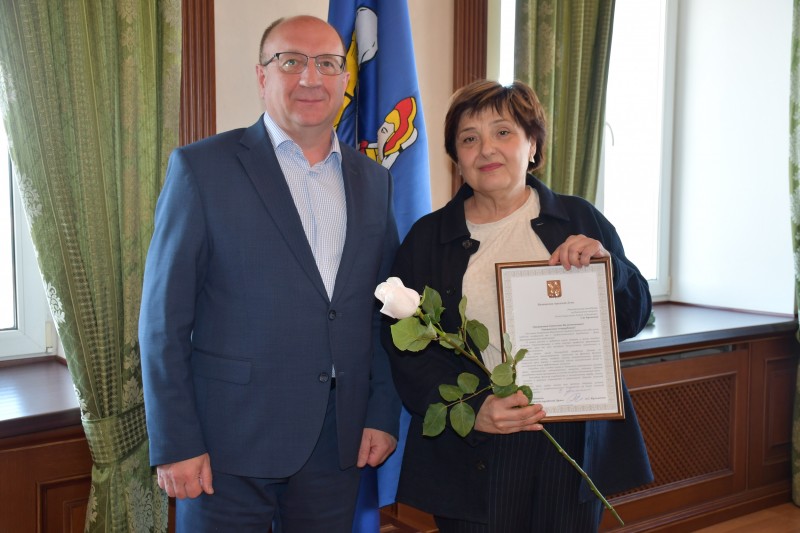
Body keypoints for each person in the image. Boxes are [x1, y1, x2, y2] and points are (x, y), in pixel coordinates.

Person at [139, 15, 401, 532]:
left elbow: (384, 312)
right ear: (262, 76)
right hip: (226, 447)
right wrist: (177, 442)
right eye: (291, 61)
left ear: (344, 79)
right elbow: (162, 322)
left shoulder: (373, 181)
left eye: (327, 63)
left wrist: (381, 412)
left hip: (337, 445)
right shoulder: (201, 169)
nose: (311, 78)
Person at [385, 79, 653, 532]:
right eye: (469, 139)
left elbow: (632, 316)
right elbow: (403, 347)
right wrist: (474, 409)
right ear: (457, 159)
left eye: (503, 132)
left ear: (532, 146)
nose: (486, 148)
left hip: (570, 439)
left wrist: (612, 270)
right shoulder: (427, 239)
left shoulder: (580, 218)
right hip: (474, 442)